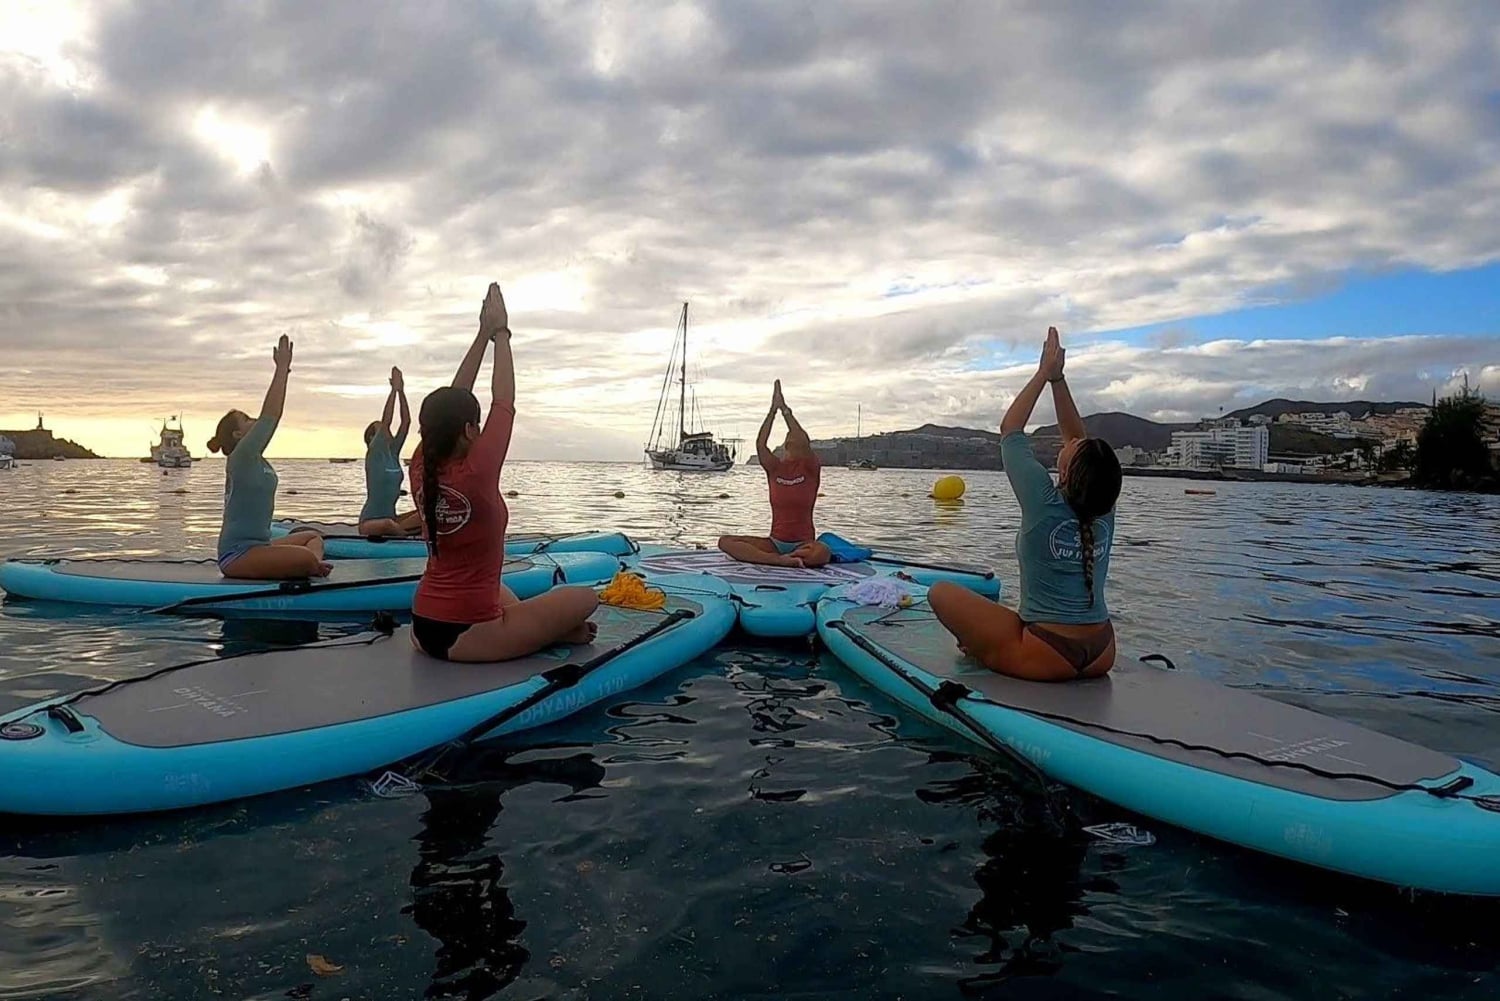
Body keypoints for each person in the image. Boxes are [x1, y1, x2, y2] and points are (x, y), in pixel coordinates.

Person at [409, 282, 598, 662]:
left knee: (503, 591)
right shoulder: (477, 470)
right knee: (585, 597)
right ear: (468, 431)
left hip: (422, 625)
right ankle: (554, 632)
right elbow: (504, 400)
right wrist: (501, 334)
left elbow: (452, 400)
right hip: (472, 637)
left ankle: (543, 629)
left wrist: (482, 335)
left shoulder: (420, 465)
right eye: (475, 425)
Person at [929, 327, 1121, 681]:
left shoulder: (1043, 501)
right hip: (1102, 650)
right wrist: (1059, 380)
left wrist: (1043, 375)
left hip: (1047, 653)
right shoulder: (1105, 503)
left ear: (1064, 473)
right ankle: (995, 643)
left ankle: (984, 648)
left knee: (941, 592)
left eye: (1071, 449)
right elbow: (1076, 437)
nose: (1070, 442)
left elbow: (1011, 430)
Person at [207, 334, 330, 579]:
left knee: (312, 538)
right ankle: (307, 566)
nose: (254, 421)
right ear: (238, 434)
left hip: (261, 548)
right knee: (304, 556)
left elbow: (266, 419)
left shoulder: (258, 459)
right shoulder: (240, 457)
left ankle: (308, 567)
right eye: (247, 419)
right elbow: (271, 416)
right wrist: (282, 369)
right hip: (238, 554)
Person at [717, 380, 831, 568]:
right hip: (775, 543)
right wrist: (772, 411)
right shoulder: (774, 469)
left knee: (823, 552)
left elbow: (801, 437)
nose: (792, 448)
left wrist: (785, 410)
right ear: (785, 447)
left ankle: (793, 557)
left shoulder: (809, 468)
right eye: (789, 445)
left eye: (796, 445)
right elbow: (761, 444)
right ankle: (779, 561)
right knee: (725, 542)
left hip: (804, 544)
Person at [357, 365, 423, 538]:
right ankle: (405, 538)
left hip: (393, 519)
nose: (387, 431)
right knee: (387, 525)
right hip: (370, 523)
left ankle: (404, 533)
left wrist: (402, 391)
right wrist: (392, 391)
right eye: (380, 431)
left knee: (426, 512)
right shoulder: (374, 454)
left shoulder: (393, 453)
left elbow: (406, 422)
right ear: (372, 438)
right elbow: (387, 420)